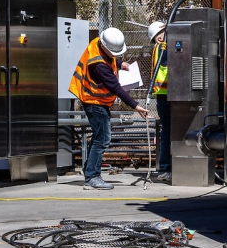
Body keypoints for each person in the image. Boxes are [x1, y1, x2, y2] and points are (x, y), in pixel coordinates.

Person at [68, 27, 149, 190]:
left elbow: (109, 58)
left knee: (99, 137)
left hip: (95, 100)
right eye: (114, 53)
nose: (115, 56)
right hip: (94, 101)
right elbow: (116, 88)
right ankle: (92, 177)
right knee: (103, 138)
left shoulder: (98, 43)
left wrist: (120, 64)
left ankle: (89, 171)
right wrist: (136, 106)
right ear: (105, 46)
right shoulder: (98, 65)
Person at [148, 21, 172, 183]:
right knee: (168, 133)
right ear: (158, 37)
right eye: (163, 32)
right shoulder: (163, 48)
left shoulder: (162, 47)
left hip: (166, 95)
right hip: (166, 94)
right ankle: (164, 168)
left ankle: (167, 167)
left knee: (168, 132)